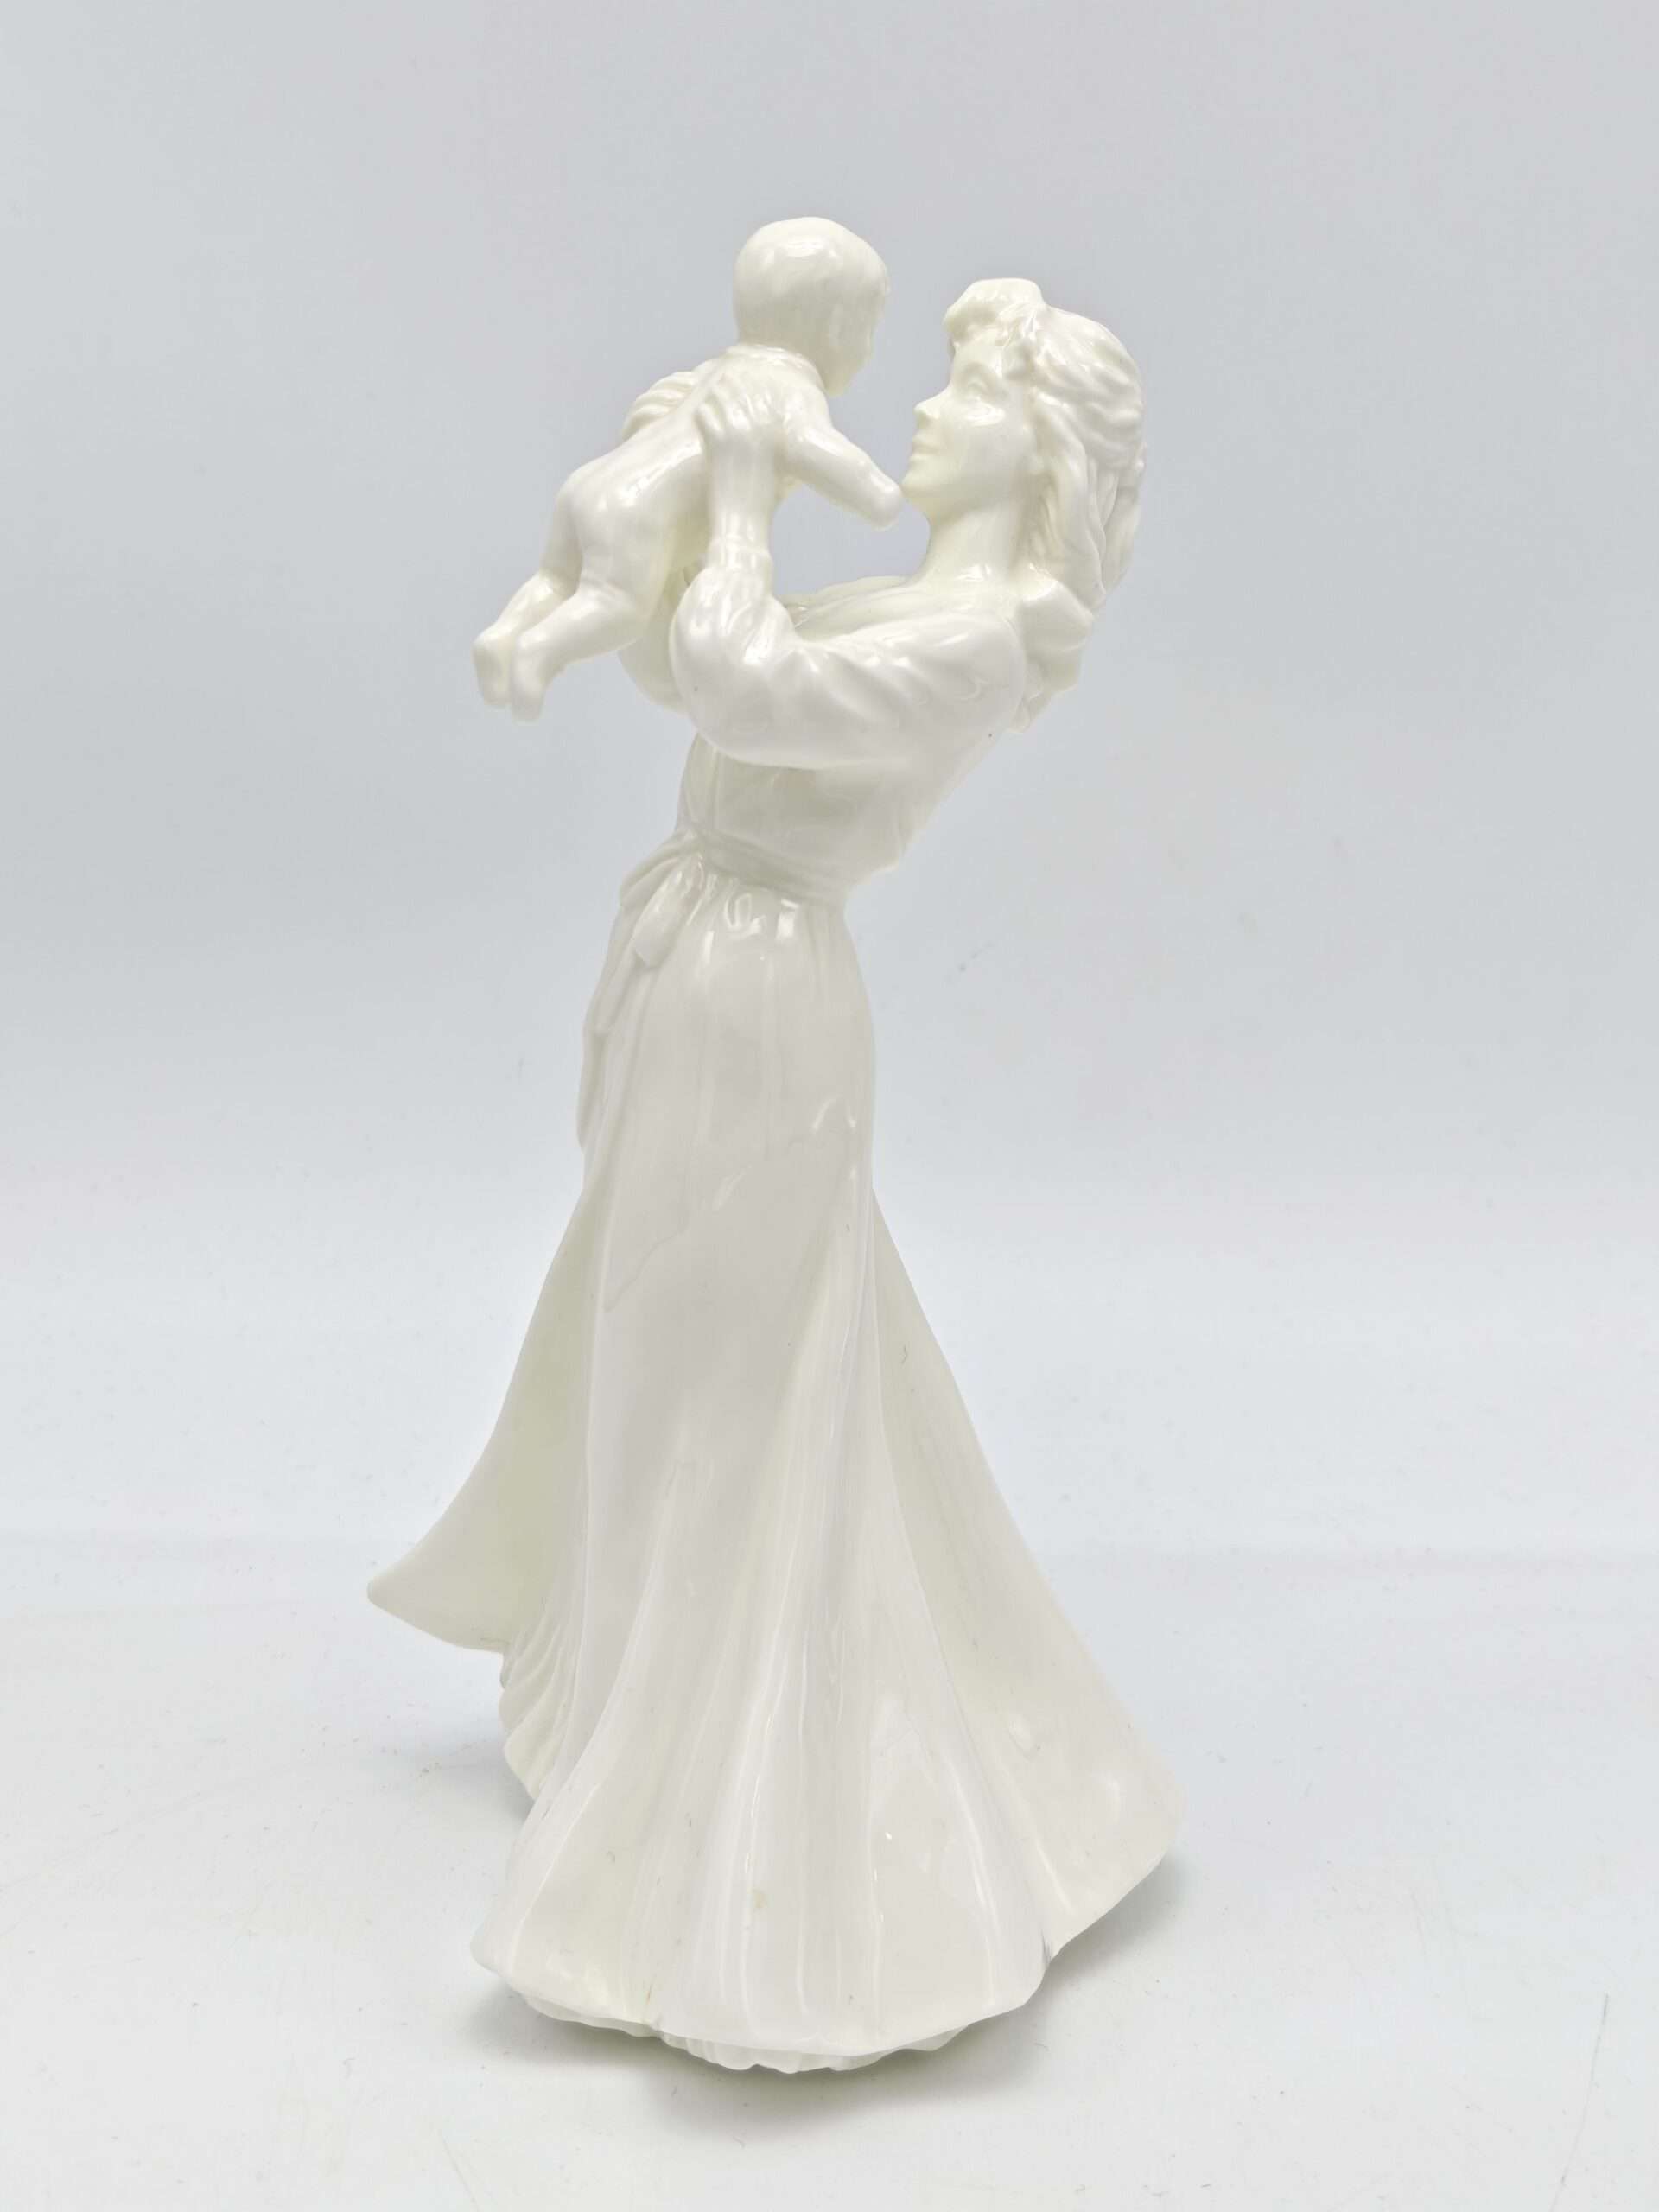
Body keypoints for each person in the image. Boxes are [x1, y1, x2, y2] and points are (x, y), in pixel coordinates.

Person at [372, 276, 1177, 2073]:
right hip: (700, 965)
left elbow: (755, 682)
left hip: (761, 1002)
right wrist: (669, 514)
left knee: (734, 1378)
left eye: (969, 395)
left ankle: (738, 1817)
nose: (928, 413)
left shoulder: (985, 637)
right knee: (676, 1352)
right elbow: (698, 675)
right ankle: (631, 1695)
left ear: (1036, 457)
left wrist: (741, 496)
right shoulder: (913, 596)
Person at [473, 217, 902, 722]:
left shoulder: (715, 372)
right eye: (868, 329)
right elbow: (817, 450)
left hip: (593, 482)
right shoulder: (790, 389)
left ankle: (503, 636)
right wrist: (876, 493)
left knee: (555, 579)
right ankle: (540, 652)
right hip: (637, 513)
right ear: (836, 327)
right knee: (615, 605)